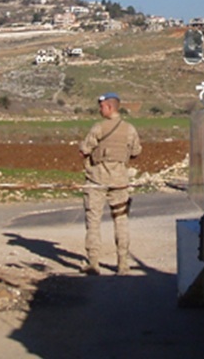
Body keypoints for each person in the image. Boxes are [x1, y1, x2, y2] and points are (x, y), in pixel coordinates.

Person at [79, 91, 142, 275]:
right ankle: (123, 264)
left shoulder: (98, 128)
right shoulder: (129, 129)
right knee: (121, 220)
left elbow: (85, 149)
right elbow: (136, 151)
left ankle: (93, 263)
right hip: (120, 179)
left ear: (108, 107)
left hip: (96, 178)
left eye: (101, 106)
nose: (100, 110)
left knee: (93, 220)